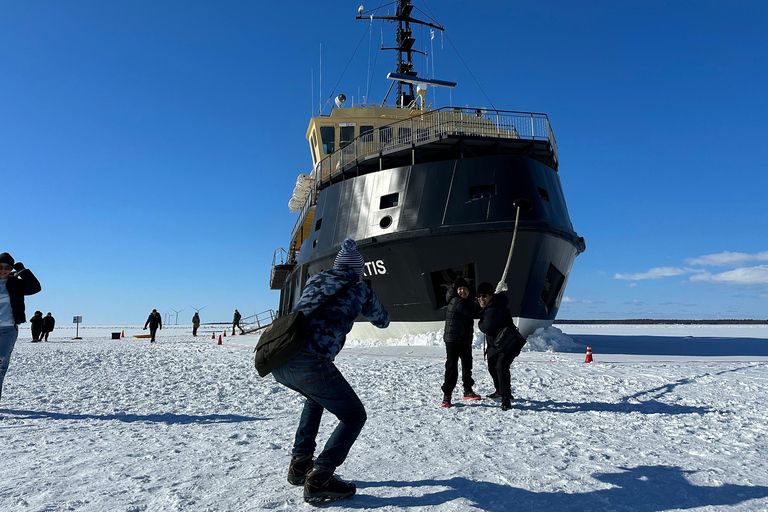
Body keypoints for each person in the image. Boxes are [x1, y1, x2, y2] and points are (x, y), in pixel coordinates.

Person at [271, 238, 389, 504]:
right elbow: (382, 320)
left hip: (280, 358)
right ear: (357, 270)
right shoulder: (360, 289)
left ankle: (300, 464)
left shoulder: (314, 281)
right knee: (354, 415)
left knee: (314, 399)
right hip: (311, 360)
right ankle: (321, 475)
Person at [476, 281, 526, 411]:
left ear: (491, 296)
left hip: (508, 344)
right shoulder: (493, 305)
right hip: (498, 344)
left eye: (484, 296)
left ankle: (505, 399)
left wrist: (480, 323)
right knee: (493, 366)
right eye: (479, 296)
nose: (481, 298)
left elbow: (486, 327)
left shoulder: (493, 308)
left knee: (501, 367)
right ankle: (500, 391)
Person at [0, 252, 42, 402]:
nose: (3, 270)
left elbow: (35, 288)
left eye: (7, 267)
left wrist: (22, 270)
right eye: (0, 266)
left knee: (0, 367)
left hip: (8, 330)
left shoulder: (16, 284)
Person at [441, 277, 480, 407]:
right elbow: (472, 312)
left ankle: (468, 390)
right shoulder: (457, 301)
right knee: (452, 367)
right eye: (460, 289)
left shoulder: (465, 301)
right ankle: (447, 395)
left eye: (465, 289)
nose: (462, 291)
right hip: (453, 339)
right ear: (455, 290)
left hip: (464, 339)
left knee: (467, 365)